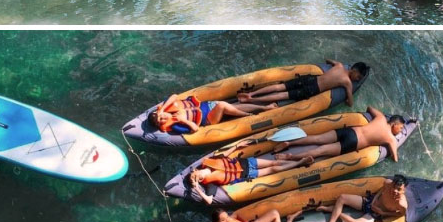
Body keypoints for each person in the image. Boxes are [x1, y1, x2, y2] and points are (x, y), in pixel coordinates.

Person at [275, 106, 407, 163]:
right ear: (395, 124)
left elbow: (370, 108)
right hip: (353, 143)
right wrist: (396, 143)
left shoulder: (380, 118)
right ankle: (290, 157)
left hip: (350, 131)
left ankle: (290, 142)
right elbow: (394, 158)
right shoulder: (390, 138)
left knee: (317, 138)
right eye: (400, 128)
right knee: (321, 151)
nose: (400, 131)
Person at [238, 59, 368, 109]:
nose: (357, 79)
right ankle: (253, 100)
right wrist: (350, 92)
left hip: (310, 79)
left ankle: (252, 93)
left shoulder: (339, 65)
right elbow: (350, 103)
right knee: (283, 95)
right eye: (358, 77)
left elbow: (329, 60)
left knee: (281, 86)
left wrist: (331, 66)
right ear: (354, 70)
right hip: (313, 89)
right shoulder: (347, 82)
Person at [188, 154, 315, 204]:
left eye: (197, 172)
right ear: (200, 180)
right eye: (198, 177)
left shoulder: (207, 162)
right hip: (247, 174)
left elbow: (224, 156)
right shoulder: (211, 184)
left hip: (245, 162)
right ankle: (300, 162)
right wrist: (197, 189)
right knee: (273, 169)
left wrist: (238, 146)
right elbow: (209, 201)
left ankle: (293, 159)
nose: (199, 173)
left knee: (272, 163)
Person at [318, 175, 409, 222]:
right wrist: (373, 201)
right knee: (342, 197)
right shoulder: (388, 183)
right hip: (370, 202)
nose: (394, 191)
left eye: (399, 189)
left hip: (375, 214)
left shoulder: (401, 204)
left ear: (404, 190)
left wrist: (383, 212)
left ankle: (332, 210)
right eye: (394, 187)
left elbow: (400, 214)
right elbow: (382, 190)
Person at [155, 93, 276, 134]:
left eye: (159, 116)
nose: (162, 118)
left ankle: (264, 107)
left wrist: (162, 108)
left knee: (232, 107)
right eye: (160, 121)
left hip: (208, 105)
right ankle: (246, 116)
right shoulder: (175, 125)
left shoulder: (169, 107)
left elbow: (174, 95)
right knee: (223, 105)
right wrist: (184, 120)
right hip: (208, 118)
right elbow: (195, 129)